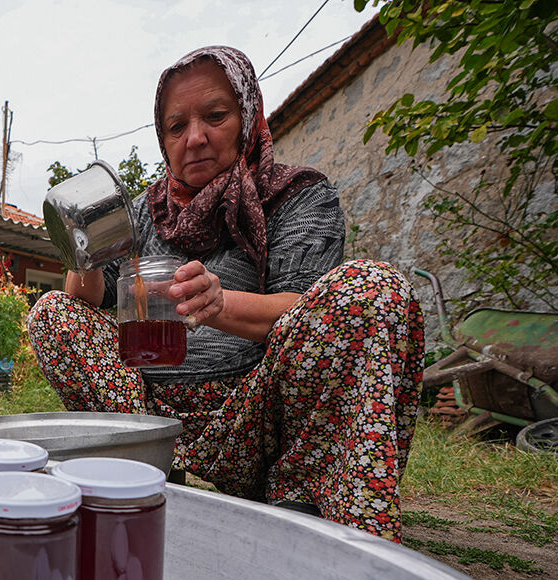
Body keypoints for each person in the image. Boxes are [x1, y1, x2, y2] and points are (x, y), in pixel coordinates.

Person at [27, 45, 424, 542]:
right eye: (176, 127)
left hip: (252, 416)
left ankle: (308, 495)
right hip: (149, 412)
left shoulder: (296, 196)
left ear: (248, 116)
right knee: (52, 312)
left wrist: (218, 303)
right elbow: (85, 298)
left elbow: (309, 311)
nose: (195, 139)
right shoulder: (145, 212)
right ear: (162, 138)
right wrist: (78, 243)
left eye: (215, 116)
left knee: (371, 288)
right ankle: (143, 462)